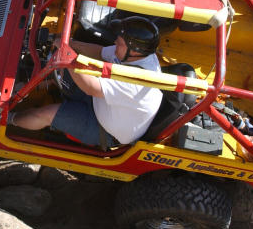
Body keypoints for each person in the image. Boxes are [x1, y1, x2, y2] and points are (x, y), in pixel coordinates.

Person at [10, 17, 163, 148]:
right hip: (104, 102)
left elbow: (90, 88)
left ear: (134, 51)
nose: (115, 41)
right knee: (59, 71)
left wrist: (68, 58)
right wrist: (70, 43)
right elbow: (100, 51)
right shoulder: (132, 54)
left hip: (103, 128)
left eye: (120, 43)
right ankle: (25, 85)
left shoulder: (139, 81)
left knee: (45, 114)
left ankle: (7, 120)